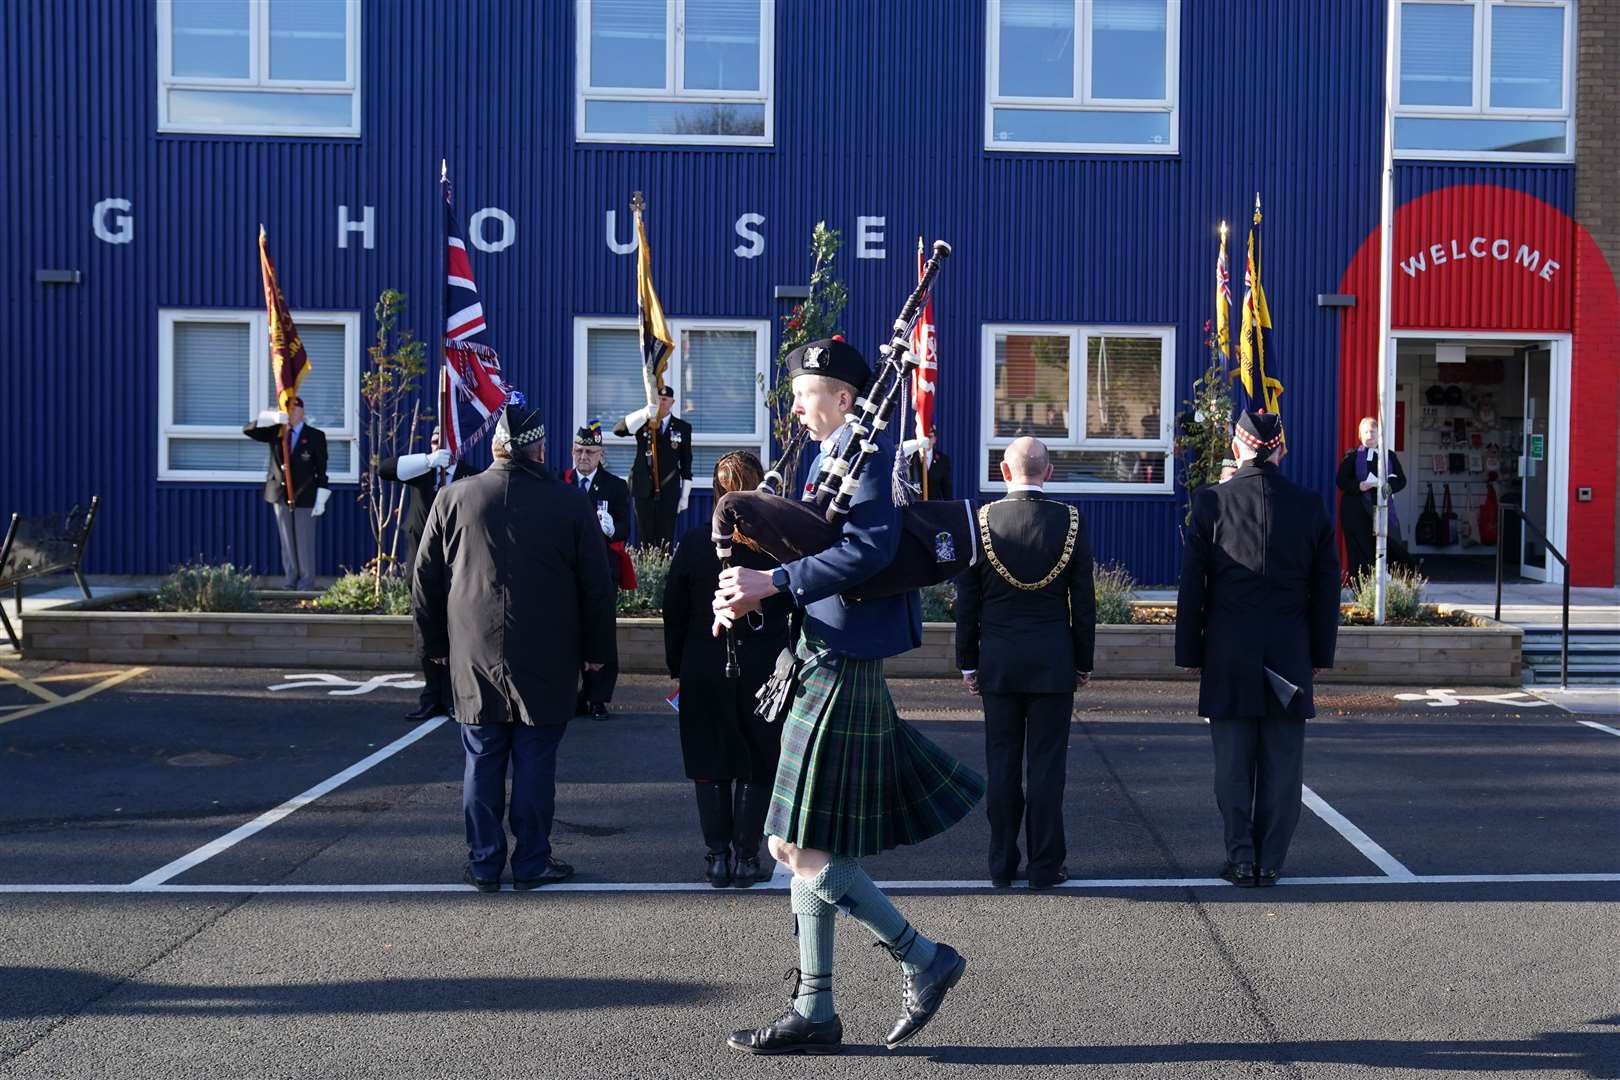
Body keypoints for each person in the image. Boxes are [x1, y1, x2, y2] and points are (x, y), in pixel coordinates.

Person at [713, 338, 984, 1055]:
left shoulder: (873, 456)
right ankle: (815, 1009)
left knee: (793, 845)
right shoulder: (831, 455)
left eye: (807, 395)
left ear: (843, 398)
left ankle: (924, 959)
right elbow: (816, 546)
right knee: (804, 842)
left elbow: (868, 551)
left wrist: (772, 584)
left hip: (843, 661)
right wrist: (752, 578)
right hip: (823, 652)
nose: (797, 407)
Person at [412, 403, 616, 892]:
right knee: (535, 759)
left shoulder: (454, 498)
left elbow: (425, 579)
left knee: (482, 756)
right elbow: (597, 586)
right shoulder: (569, 503)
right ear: (541, 448)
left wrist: (434, 646)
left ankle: (484, 863)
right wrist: (597, 657)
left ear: (497, 446)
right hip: (547, 652)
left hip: (473, 650)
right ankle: (531, 861)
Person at [1175, 410, 1340, 889]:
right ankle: (1270, 860)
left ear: (1236, 448)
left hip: (1228, 652)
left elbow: (1193, 586)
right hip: (1289, 652)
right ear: (1281, 451)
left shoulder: (1211, 504)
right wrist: (1320, 653)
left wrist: (1190, 652)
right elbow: (1326, 587)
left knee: (1231, 765)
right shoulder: (1309, 506)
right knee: (1283, 767)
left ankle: (1241, 858)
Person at [955, 436, 1095, 890]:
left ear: (1004, 471)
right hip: (1054, 660)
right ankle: (1044, 866)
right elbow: (1084, 603)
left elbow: (967, 602)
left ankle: (1000, 864)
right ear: (1048, 473)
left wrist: (967, 663)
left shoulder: (981, 522)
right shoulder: (1069, 521)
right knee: (1047, 768)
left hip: (998, 662)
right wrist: (1083, 660)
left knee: (1002, 764)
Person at [662, 451, 791, 889]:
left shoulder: (697, 541)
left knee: (710, 762)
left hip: (704, 664)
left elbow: (673, 608)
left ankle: (717, 857)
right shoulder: (775, 545)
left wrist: (676, 664)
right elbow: (795, 601)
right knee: (756, 762)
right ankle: (746, 856)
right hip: (764, 668)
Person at [381, 424, 477, 722]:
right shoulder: (421, 471)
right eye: (434, 441)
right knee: (425, 631)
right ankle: (431, 695)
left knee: (454, 632)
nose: (437, 446)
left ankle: (452, 697)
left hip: (454, 566)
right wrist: (426, 460)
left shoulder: (469, 475)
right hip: (422, 565)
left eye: (442, 442)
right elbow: (386, 469)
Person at [562, 422, 633, 722]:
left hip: (603, 569)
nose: (583, 457)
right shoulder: (560, 482)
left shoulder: (615, 486)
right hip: (567, 571)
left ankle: (598, 697)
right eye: (578, 451)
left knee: (601, 632)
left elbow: (626, 529)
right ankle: (573, 694)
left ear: (601, 454)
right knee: (568, 633)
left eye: (590, 452)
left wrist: (611, 527)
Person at [243, 397, 329, 590]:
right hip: (279, 493)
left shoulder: (315, 436)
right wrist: (271, 416)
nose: (290, 413)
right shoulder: (277, 432)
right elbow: (248, 430)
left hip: (305, 494)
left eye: (293, 409)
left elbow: (321, 470)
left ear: (302, 412)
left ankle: (306, 581)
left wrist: (321, 498)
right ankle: (290, 580)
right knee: (287, 540)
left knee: (304, 541)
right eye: (287, 409)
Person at [614, 384, 692, 550]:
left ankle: (664, 573)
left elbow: (687, 463)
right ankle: (644, 573)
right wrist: (644, 413)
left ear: (672, 402)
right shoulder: (644, 422)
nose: (662, 402)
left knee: (666, 538)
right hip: (642, 487)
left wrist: (685, 495)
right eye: (658, 399)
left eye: (665, 399)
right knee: (644, 537)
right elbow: (618, 430)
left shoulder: (682, 428)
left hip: (668, 489)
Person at [1336, 416, 1410, 582]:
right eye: (1366, 432)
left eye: (1373, 432)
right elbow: (1341, 481)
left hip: (1381, 508)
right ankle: (1361, 587)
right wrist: (1359, 485)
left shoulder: (1388, 455)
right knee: (1359, 550)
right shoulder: (1352, 456)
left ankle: (1388, 584)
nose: (1370, 436)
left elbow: (1401, 480)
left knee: (1388, 545)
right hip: (1356, 510)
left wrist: (1388, 487)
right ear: (1360, 436)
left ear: (1379, 435)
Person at [900, 428, 952, 500]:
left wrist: (949, 508)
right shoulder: (909, 457)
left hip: (933, 507)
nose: (927, 440)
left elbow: (946, 489)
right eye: (923, 437)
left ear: (934, 439)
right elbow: (896, 451)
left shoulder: (942, 460)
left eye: (930, 437)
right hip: (913, 506)